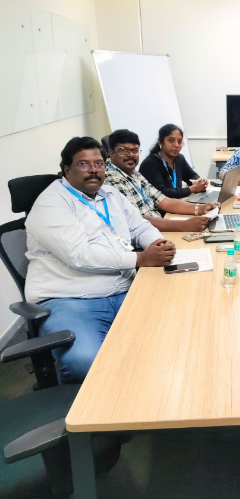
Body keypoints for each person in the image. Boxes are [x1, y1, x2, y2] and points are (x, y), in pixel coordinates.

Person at [25, 137, 176, 384]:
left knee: (171, 336)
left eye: (99, 163)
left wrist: (157, 244)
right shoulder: (51, 203)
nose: (94, 170)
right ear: (67, 169)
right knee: (84, 361)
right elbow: (80, 255)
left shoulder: (111, 194)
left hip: (123, 289)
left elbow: (139, 226)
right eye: (84, 164)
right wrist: (141, 258)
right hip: (71, 298)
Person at [105, 129, 215, 232]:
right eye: (124, 150)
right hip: (144, 236)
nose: (131, 155)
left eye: (135, 151)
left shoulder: (135, 174)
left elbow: (164, 201)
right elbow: (136, 220)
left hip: (156, 227)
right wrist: (183, 225)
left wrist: (201, 208)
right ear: (111, 153)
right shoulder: (111, 179)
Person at [139, 124, 208, 199]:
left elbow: (192, 176)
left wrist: (200, 182)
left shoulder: (179, 159)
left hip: (176, 202)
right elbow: (161, 194)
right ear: (160, 142)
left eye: (179, 141)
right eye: (171, 140)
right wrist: (192, 189)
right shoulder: (150, 164)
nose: (176, 145)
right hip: (159, 206)